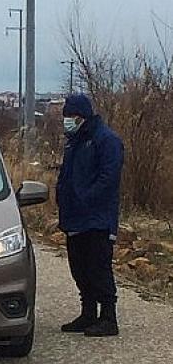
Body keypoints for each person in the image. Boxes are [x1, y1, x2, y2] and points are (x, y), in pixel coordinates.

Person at [56, 94, 124, 337]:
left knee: (98, 268)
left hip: (97, 219)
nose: (66, 120)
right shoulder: (73, 141)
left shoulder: (106, 140)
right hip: (75, 218)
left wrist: (86, 199)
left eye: (70, 116)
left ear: (81, 116)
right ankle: (88, 314)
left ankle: (108, 317)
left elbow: (109, 178)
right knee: (79, 267)